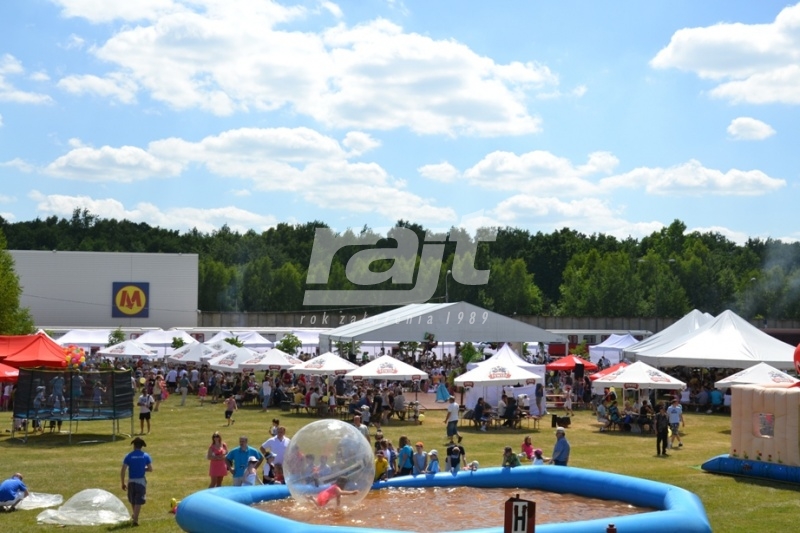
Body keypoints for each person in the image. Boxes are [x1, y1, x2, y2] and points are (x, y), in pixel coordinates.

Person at [121, 437, 153, 527]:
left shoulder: (129, 456)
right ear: (142, 446)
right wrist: (142, 469)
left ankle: (135, 516)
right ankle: (135, 519)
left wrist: (122, 482)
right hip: (141, 481)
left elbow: (123, 470)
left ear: (134, 445)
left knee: (133, 499)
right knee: (138, 500)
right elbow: (150, 469)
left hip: (131, 481)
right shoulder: (145, 456)